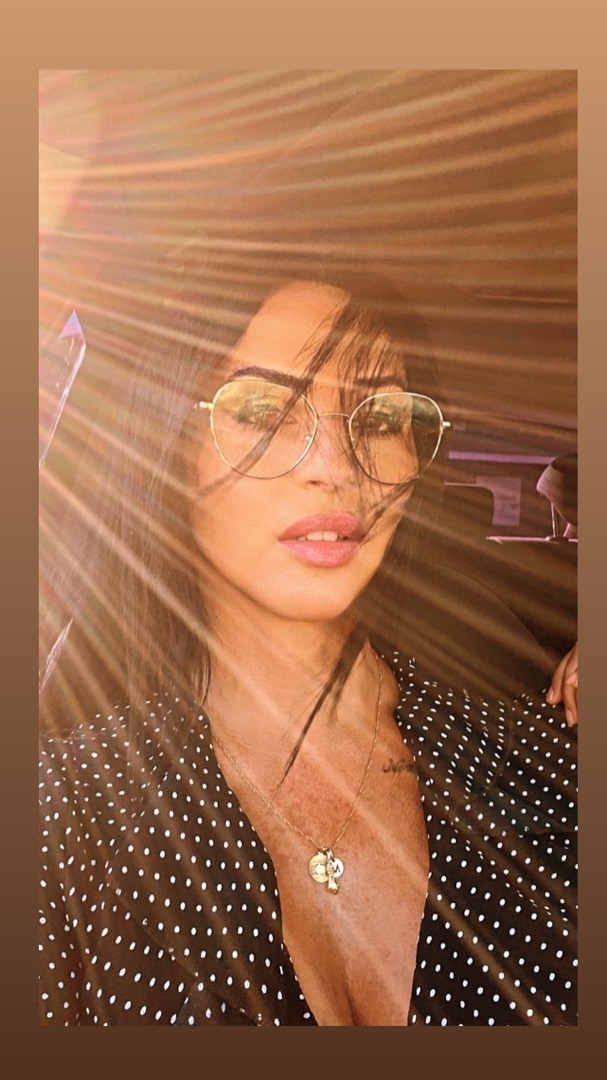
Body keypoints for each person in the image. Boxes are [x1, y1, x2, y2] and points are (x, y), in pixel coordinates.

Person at [39, 246, 577, 1026]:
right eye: (262, 411)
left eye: (380, 418)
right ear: (169, 445)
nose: (336, 466)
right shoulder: (60, 816)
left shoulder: (547, 760)